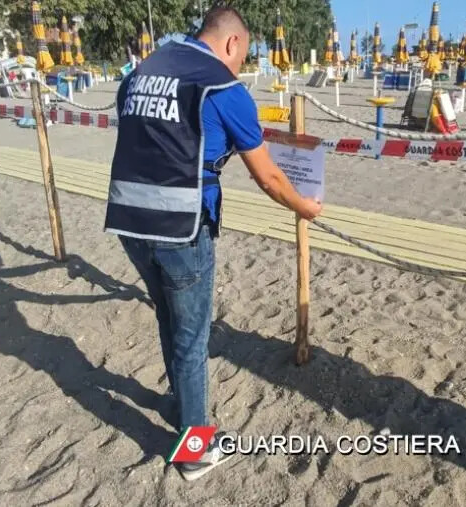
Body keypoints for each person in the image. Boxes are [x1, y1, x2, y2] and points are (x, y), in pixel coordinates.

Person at [104, 7, 322, 481]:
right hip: (181, 226)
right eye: (241, 56)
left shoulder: (143, 71)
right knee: (193, 337)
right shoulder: (222, 87)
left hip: (128, 219)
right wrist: (303, 208)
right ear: (230, 44)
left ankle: (184, 410)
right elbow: (267, 176)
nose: (240, 66)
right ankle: (195, 449)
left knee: (168, 318)